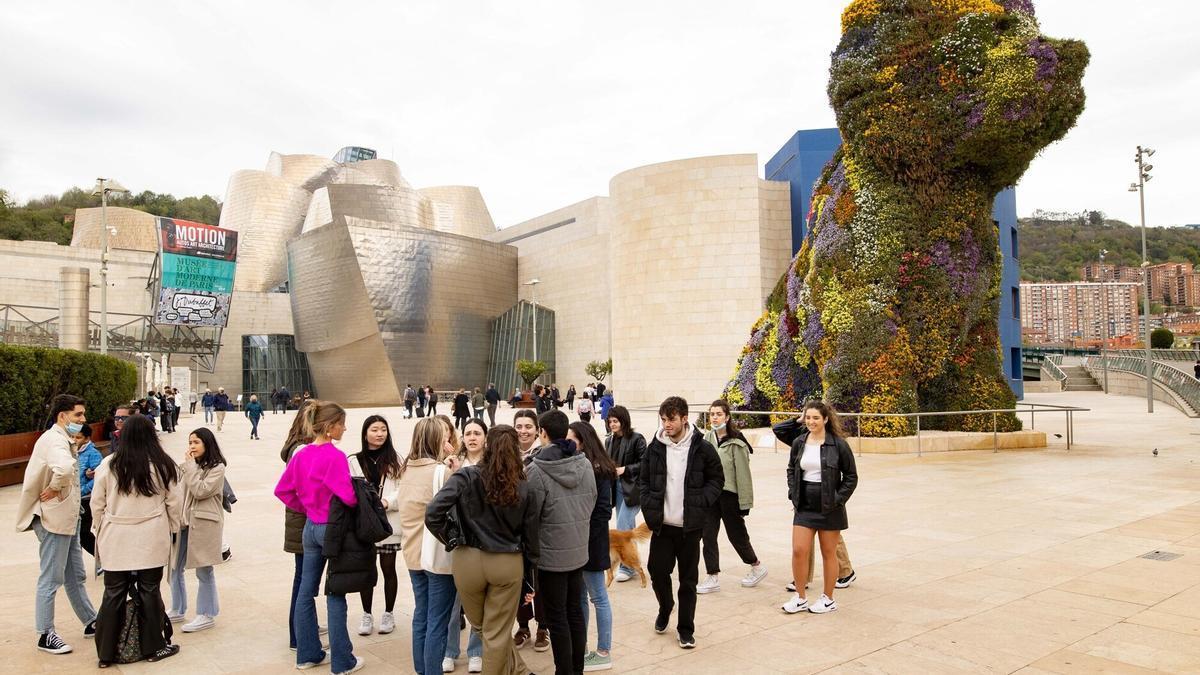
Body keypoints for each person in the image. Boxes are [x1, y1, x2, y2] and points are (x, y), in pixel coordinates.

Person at [427, 425, 541, 675]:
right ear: (516, 451)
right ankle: (518, 671)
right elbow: (532, 538)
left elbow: (433, 513)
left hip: (467, 558)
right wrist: (530, 578)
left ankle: (519, 670)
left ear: (487, 445)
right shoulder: (526, 486)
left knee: (485, 628)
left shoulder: (466, 476)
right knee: (495, 631)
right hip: (506, 561)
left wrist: (452, 538)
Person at [275, 401, 365, 675]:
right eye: (341, 423)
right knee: (335, 591)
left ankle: (307, 654)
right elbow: (348, 497)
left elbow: (283, 491)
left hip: (310, 527)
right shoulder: (335, 456)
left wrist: (307, 506)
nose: (345, 428)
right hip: (331, 529)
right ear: (330, 426)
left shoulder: (301, 454)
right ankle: (342, 661)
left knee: (305, 590)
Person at [91, 414, 182, 665]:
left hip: (116, 535)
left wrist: (100, 528)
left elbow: (97, 503)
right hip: (151, 535)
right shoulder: (164, 465)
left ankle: (105, 654)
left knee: (113, 592)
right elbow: (175, 504)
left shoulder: (109, 464)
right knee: (150, 590)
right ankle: (154, 647)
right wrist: (173, 530)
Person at [14, 394, 99, 655]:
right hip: (54, 520)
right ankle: (45, 634)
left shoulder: (62, 438)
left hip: (67, 520)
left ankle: (91, 621)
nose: (83, 420)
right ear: (63, 416)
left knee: (75, 575)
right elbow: (63, 469)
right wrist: (55, 488)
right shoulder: (55, 441)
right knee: (51, 578)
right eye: (78, 415)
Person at [638, 396, 723, 649]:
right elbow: (644, 480)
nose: (667, 424)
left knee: (688, 581)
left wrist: (702, 501)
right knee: (657, 572)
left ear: (684, 419)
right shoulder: (655, 447)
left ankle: (686, 629)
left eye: (672, 419)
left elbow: (717, 478)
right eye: (663, 419)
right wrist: (648, 506)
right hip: (662, 527)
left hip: (690, 529)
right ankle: (666, 607)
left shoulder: (702, 447)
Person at [526, 410, 596, 675]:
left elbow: (531, 518)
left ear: (542, 433)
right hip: (578, 550)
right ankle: (576, 669)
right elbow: (591, 501)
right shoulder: (584, 463)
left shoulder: (536, 470)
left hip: (551, 556)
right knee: (575, 613)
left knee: (557, 619)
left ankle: (564, 671)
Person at [782, 400, 858, 616]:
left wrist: (838, 498)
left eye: (815, 418)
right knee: (799, 551)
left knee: (828, 553)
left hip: (829, 506)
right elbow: (791, 469)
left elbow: (851, 476)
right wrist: (792, 491)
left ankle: (828, 598)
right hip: (804, 505)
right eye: (808, 417)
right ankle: (800, 597)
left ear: (825, 419)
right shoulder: (799, 442)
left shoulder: (839, 444)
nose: (811, 421)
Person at [397, 418, 458, 675]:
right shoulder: (440, 472)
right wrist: (454, 470)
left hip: (412, 553)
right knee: (438, 620)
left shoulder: (405, 469)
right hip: (436, 556)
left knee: (421, 614)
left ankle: (422, 670)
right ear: (436, 439)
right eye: (443, 436)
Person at [697, 400, 766, 594]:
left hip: (730, 495)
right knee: (708, 534)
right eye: (712, 414)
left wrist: (745, 504)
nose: (715, 418)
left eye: (718, 414)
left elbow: (743, 476)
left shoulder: (737, 443)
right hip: (710, 495)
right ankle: (712, 576)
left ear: (727, 417)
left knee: (736, 535)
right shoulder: (706, 439)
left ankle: (756, 565)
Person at [167, 427, 228, 633]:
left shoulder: (217, 467)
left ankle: (206, 613)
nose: (192, 446)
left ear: (206, 444)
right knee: (175, 567)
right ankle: (177, 608)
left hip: (204, 524)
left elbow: (200, 490)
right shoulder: (188, 466)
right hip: (183, 522)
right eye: (190, 442)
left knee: (204, 569)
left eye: (196, 442)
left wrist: (190, 467)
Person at [349, 416, 404, 637]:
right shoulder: (353, 460)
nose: (380, 434)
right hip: (364, 525)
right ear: (365, 434)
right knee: (366, 570)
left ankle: (389, 613)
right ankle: (367, 614)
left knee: (388, 569)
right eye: (374, 430)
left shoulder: (395, 459)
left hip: (387, 524)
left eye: (383, 429)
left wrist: (386, 502)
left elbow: (403, 489)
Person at [569, 421, 616, 672]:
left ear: (583, 441)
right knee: (580, 599)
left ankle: (604, 650)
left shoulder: (597, 469)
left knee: (598, 597)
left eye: (571, 439)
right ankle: (582, 647)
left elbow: (603, 512)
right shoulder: (582, 465)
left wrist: (584, 539)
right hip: (581, 542)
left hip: (592, 544)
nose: (567, 443)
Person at [442, 418, 487, 672]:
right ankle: (450, 651)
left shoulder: (491, 465)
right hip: (459, 541)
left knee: (478, 602)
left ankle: (475, 651)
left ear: (485, 438)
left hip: (484, 541)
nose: (472, 437)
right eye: (468, 433)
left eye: (477, 433)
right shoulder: (450, 464)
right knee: (455, 601)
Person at [279, 401, 322, 652]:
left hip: (302, 520)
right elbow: (304, 490)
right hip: (304, 522)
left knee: (304, 579)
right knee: (304, 580)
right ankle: (299, 634)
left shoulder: (298, 447)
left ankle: (304, 627)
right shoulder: (302, 450)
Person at [510, 409, 550, 652]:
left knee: (541, 578)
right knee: (518, 578)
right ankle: (523, 625)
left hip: (540, 524)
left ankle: (543, 628)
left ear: (537, 430)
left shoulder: (544, 453)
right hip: (514, 526)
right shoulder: (508, 452)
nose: (523, 431)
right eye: (519, 426)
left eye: (528, 426)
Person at [605, 405, 646, 583]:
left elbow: (646, 463)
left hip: (633, 490)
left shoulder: (637, 439)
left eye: (615, 421)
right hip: (616, 489)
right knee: (627, 527)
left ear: (624, 420)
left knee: (622, 526)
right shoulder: (609, 441)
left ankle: (627, 568)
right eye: (610, 421)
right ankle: (632, 563)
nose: (612, 424)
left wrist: (625, 469)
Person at [77, 424, 103, 564]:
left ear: (87, 438)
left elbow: (98, 477)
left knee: (83, 533)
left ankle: (103, 558)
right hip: (75, 499)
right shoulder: (72, 451)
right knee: (77, 535)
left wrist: (83, 489)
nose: (75, 440)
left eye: (78, 437)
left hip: (86, 498)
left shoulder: (93, 454)